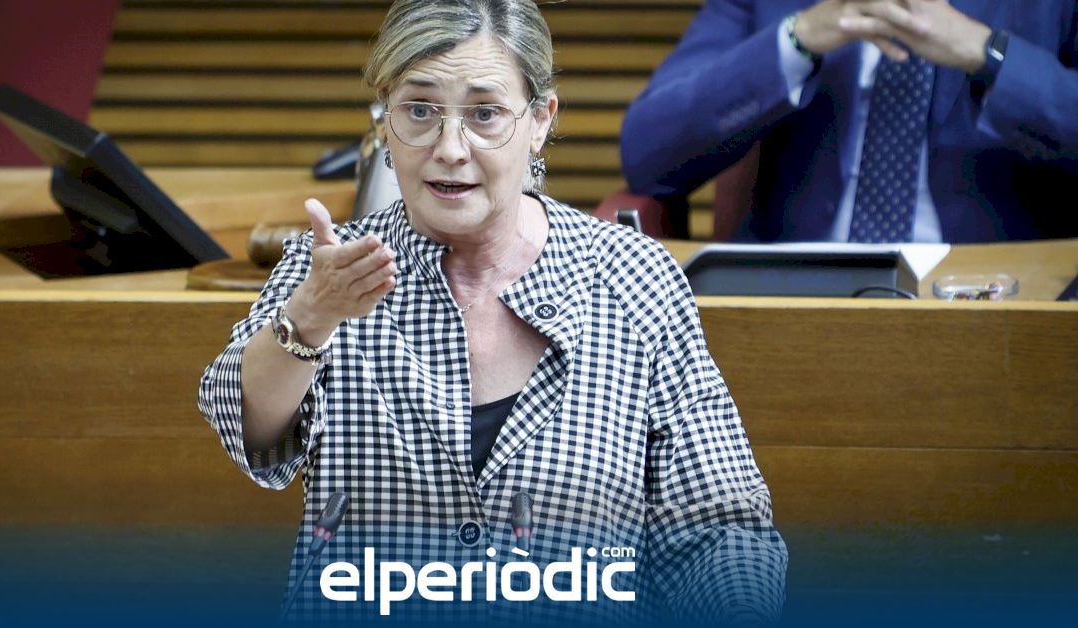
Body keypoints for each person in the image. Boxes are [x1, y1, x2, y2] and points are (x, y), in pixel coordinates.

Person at [198, 0, 786, 623]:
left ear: (540, 120)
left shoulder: (631, 277)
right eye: (419, 110)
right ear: (384, 120)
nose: (450, 148)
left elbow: (720, 524)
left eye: (484, 114)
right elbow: (247, 432)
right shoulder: (330, 268)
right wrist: (311, 318)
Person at [621, 0, 1078, 243]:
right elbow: (646, 151)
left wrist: (989, 55)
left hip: (998, 301)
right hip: (797, 303)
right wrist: (796, 39)